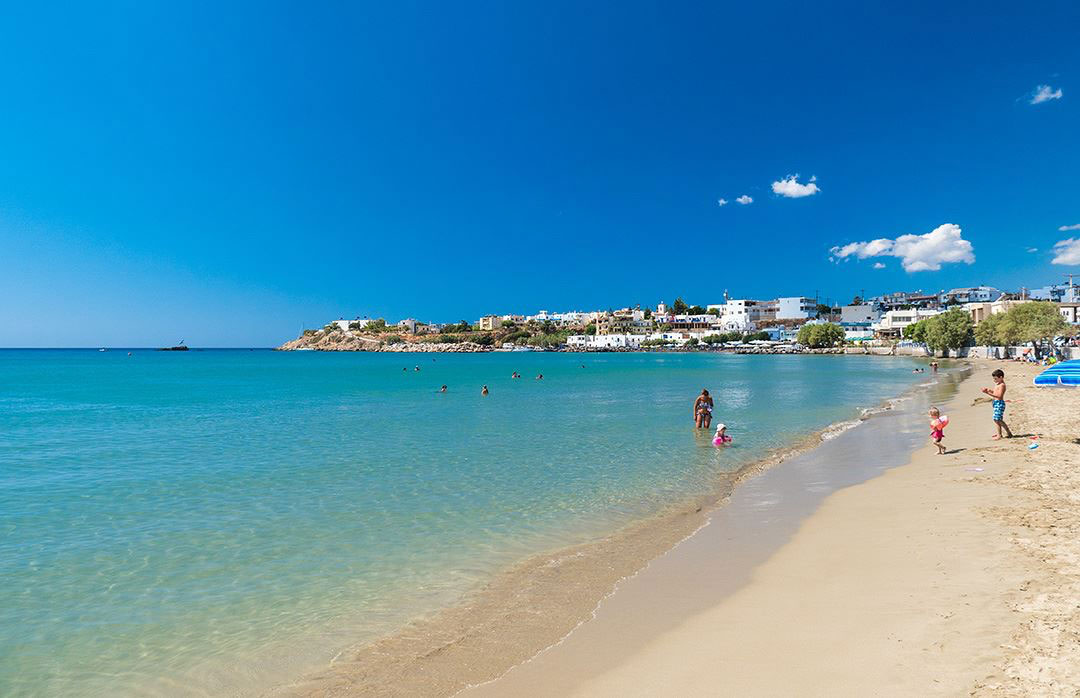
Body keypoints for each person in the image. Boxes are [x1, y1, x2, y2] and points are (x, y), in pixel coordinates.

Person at [981, 369, 1013, 440]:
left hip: (999, 403)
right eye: (993, 379)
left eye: (995, 379)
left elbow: (999, 396)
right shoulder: (998, 384)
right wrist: (989, 391)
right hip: (996, 403)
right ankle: (1001, 434)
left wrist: (987, 393)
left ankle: (1006, 433)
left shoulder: (1002, 385)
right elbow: (996, 392)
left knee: (998, 419)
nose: (994, 380)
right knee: (996, 419)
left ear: (1001, 377)